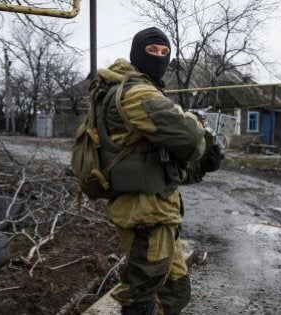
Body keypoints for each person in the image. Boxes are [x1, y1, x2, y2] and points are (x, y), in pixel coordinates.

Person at [90, 27, 221, 315]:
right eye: (152, 51)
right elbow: (189, 136)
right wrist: (199, 132)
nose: (159, 57)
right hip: (145, 213)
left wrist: (200, 166)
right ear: (137, 53)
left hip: (156, 209)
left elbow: (155, 165)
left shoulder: (137, 90)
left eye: (165, 52)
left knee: (174, 292)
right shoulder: (135, 93)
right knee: (142, 294)